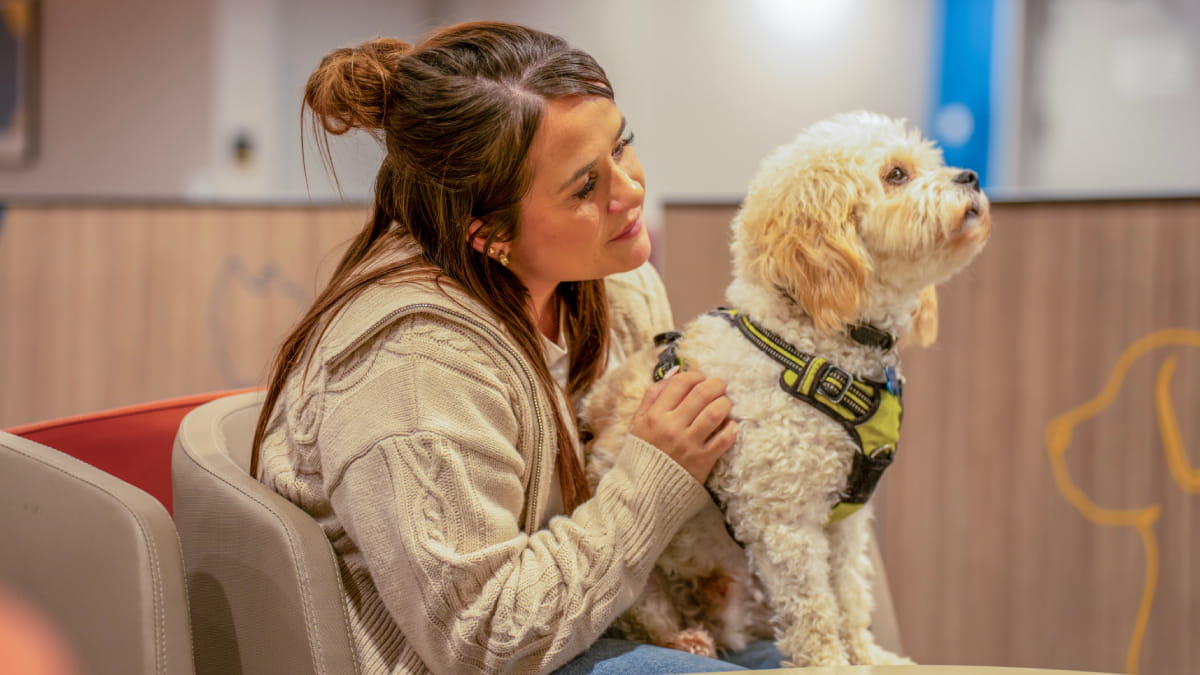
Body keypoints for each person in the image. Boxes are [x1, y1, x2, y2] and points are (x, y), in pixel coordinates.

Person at [253, 21, 781, 673]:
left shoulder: (622, 289)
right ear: (488, 230)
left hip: (598, 623)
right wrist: (658, 471)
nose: (631, 189)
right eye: (585, 187)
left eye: (624, 146)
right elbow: (487, 639)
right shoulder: (415, 366)